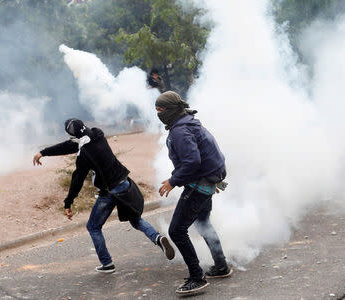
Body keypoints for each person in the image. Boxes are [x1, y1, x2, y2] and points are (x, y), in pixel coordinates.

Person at [33, 118, 175, 273]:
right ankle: (158, 238)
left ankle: (107, 263)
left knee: (93, 227)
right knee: (136, 220)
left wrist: (68, 203)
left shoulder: (84, 155)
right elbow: (72, 145)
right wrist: (44, 152)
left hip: (108, 192)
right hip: (124, 184)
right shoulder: (98, 134)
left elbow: (77, 180)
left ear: (74, 137)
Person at [155, 91, 232, 296]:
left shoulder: (181, 131)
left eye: (160, 110)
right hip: (209, 180)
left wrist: (173, 181)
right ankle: (221, 266)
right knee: (203, 223)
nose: (158, 113)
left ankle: (197, 278)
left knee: (176, 231)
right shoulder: (188, 122)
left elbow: (192, 161)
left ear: (170, 110)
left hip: (200, 183)